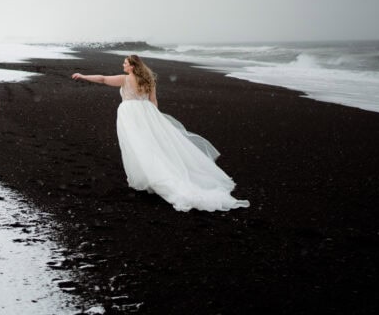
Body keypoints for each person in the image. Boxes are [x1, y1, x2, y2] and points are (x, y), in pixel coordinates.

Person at [72, 54, 249, 212]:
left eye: (125, 63)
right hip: (148, 113)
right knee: (153, 145)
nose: (123, 65)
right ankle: (157, 174)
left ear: (132, 66)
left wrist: (83, 76)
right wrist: (155, 120)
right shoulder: (148, 80)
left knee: (138, 146)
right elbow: (153, 102)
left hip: (131, 115)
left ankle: (155, 178)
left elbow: (103, 79)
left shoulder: (126, 79)